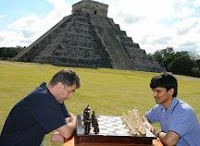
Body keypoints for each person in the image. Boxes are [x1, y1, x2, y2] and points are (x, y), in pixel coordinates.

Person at [0, 69, 80, 146]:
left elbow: (66, 119)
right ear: (60, 86)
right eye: (69, 91)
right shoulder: (43, 99)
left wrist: (60, 131)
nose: (69, 96)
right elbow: (66, 132)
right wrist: (76, 120)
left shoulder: (51, 96)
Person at [144, 72, 200, 146]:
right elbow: (145, 117)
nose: (154, 95)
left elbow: (169, 141)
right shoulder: (161, 106)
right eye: (153, 91)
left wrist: (158, 133)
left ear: (171, 91)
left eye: (158, 91)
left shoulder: (184, 111)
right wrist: (148, 125)